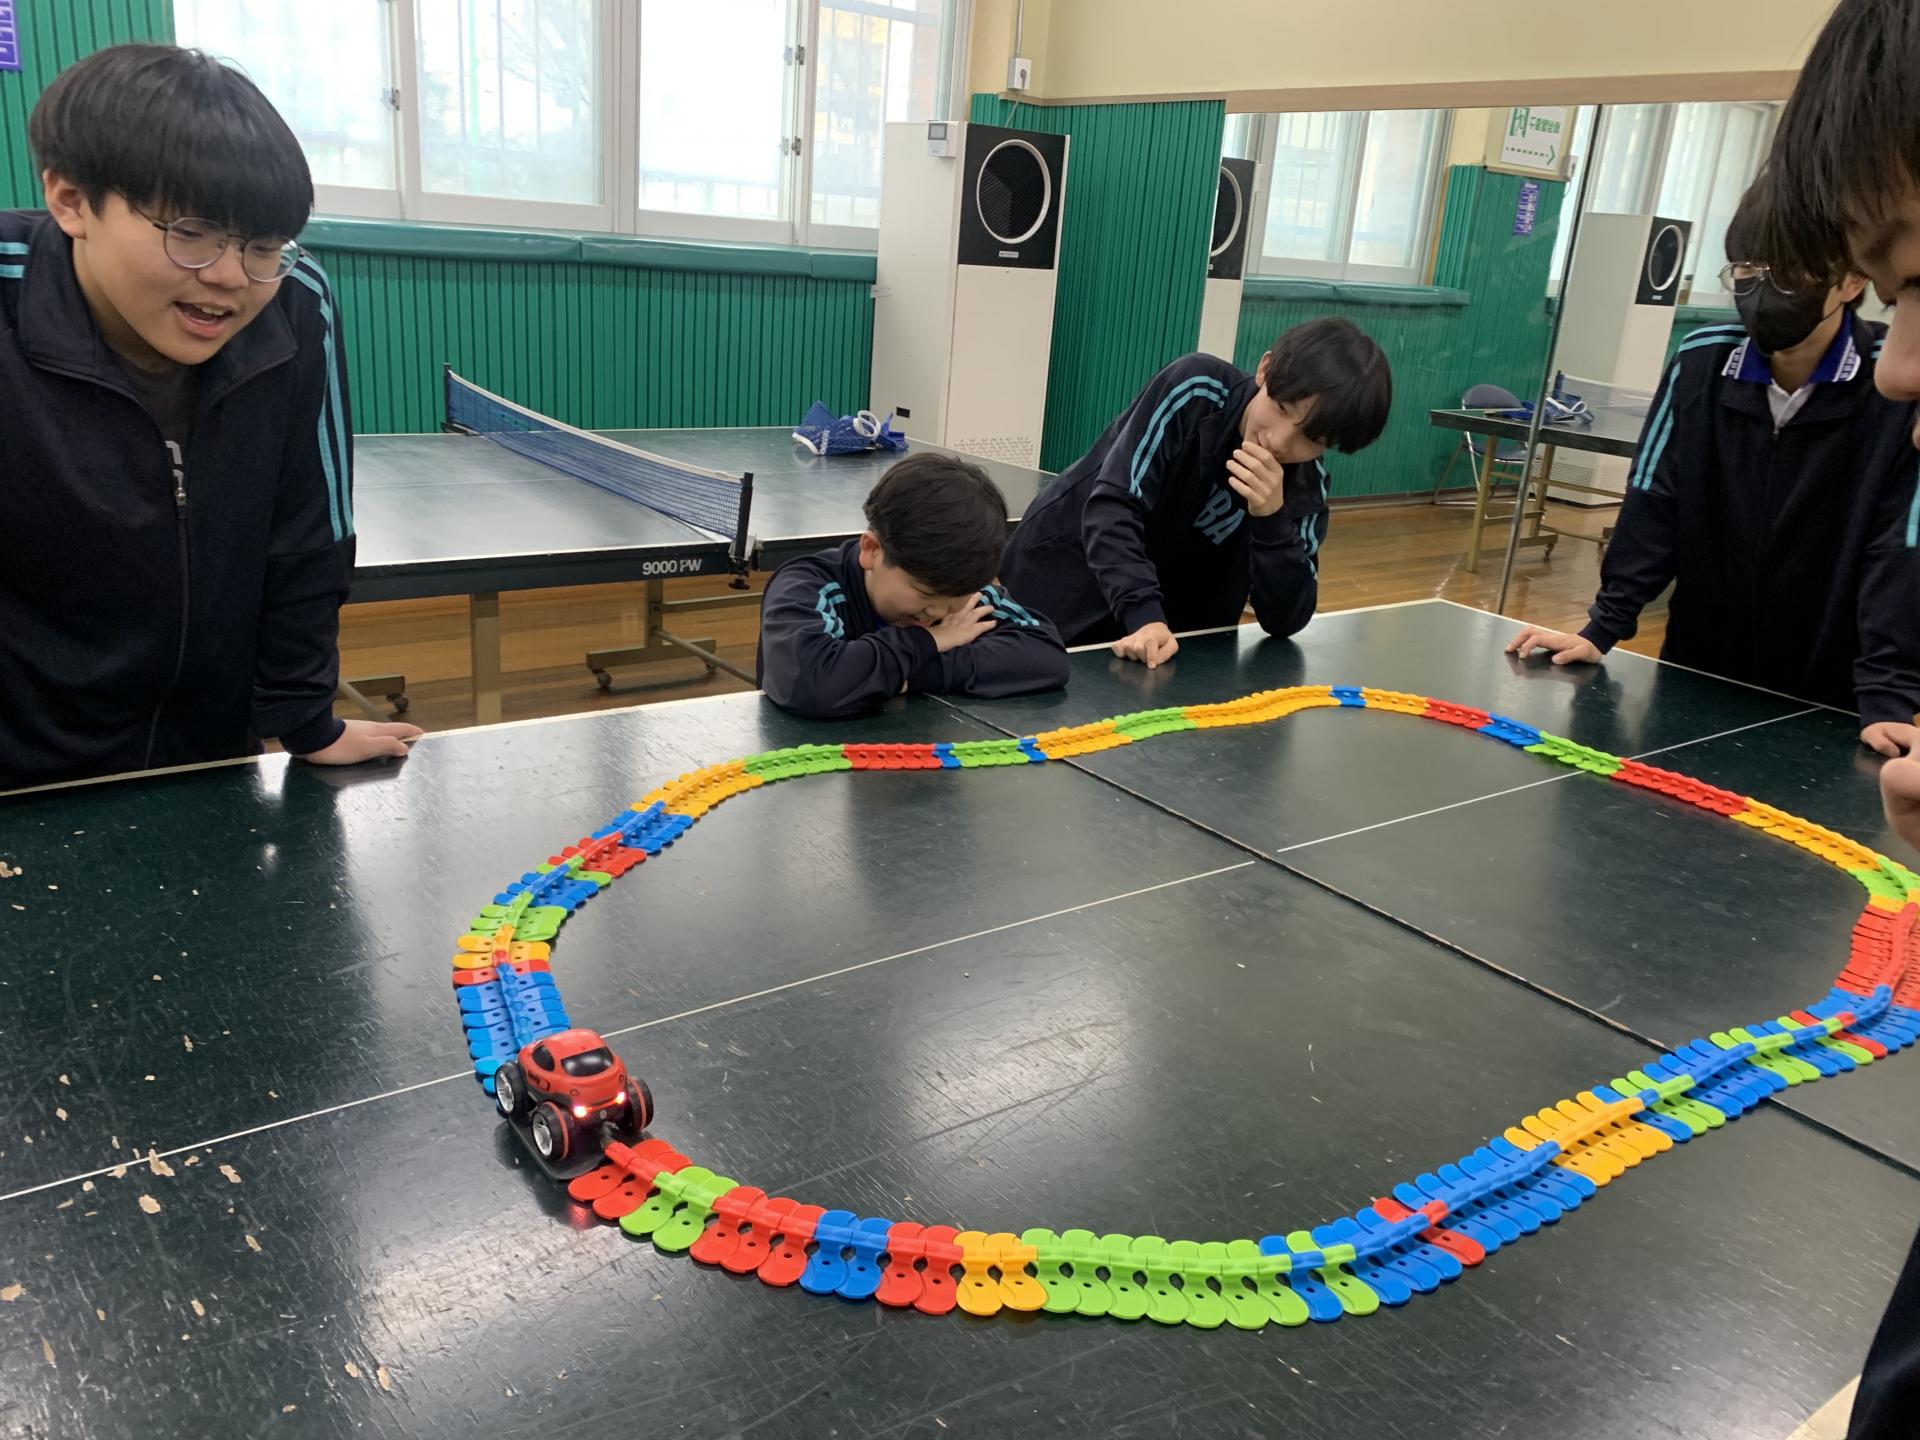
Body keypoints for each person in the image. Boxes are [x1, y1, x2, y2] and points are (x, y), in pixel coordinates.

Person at [0, 44, 419, 793]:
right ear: (71, 201)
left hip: (214, 760)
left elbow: (309, 530)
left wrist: (306, 717)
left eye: (261, 245)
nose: (230, 276)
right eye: (189, 233)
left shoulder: (296, 298)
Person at [1506, 178, 1920, 757]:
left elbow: (1899, 543)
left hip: (1830, 682)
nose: (1762, 287)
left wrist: (1887, 693)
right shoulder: (1702, 359)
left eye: (1789, 271)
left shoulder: (1893, 384)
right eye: (1747, 269)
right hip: (1698, 662)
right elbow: (1654, 496)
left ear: (1851, 281)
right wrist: (1603, 626)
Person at [1757, 4, 1920, 1433]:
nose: (1904, 367)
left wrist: (1882, 692)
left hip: (1825, 686)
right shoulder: (1709, 372)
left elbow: (1891, 554)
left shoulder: (1877, 408)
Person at [997, 317, 1391, 668]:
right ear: (1265, 369)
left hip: (1165, 644)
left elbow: (1286, 619)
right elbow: (1113, 506)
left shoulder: (1306, 487)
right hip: (1063, 583)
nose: (1279, 441)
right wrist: (1144, 614)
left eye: (1312, 439)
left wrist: (1271, 520)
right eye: (1283, 408)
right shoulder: (1196, 388)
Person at [756, 453, 1069, 719]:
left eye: (954, 600)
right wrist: (928, 640)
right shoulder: (805, 585)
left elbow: (1047, 656)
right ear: (871, 550)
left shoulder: (959, 584)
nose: (938, 612)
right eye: (925, 593)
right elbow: (813, 684)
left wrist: (923, 672)